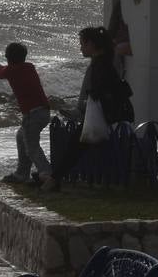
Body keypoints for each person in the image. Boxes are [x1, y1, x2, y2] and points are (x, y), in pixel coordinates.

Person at [49, 26, 134, 190]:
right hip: (109, 115)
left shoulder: (101, 65)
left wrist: (83, 106)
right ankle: (54, 178)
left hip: (106, 117)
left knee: (76, 146)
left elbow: (99, 92)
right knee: (77, 146)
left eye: (83, 44)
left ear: (92, 45)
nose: (80, 47)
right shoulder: (105, 62)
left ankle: (53, 179)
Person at [0, 42, 52, 185]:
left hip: (32, 114)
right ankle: (22, 173)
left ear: (7, 57)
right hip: (43, 111)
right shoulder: (29, 67)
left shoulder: (10, 70)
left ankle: (47, 173)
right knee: (21, 137)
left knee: (31, 147)